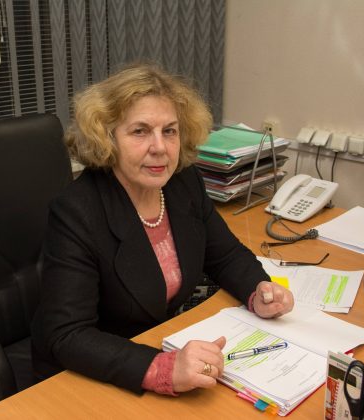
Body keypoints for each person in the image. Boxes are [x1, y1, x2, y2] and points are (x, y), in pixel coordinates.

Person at [31, 63, 294, 395]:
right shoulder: (77, 212)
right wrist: (160, 368)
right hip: (90, 371)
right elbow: (68, 335)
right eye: (140, 131)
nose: (160, 147)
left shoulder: (183, 182)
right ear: (108, 137)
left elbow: (225, 255)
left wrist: (259, 291)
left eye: (169, 131)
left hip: (158, 339)